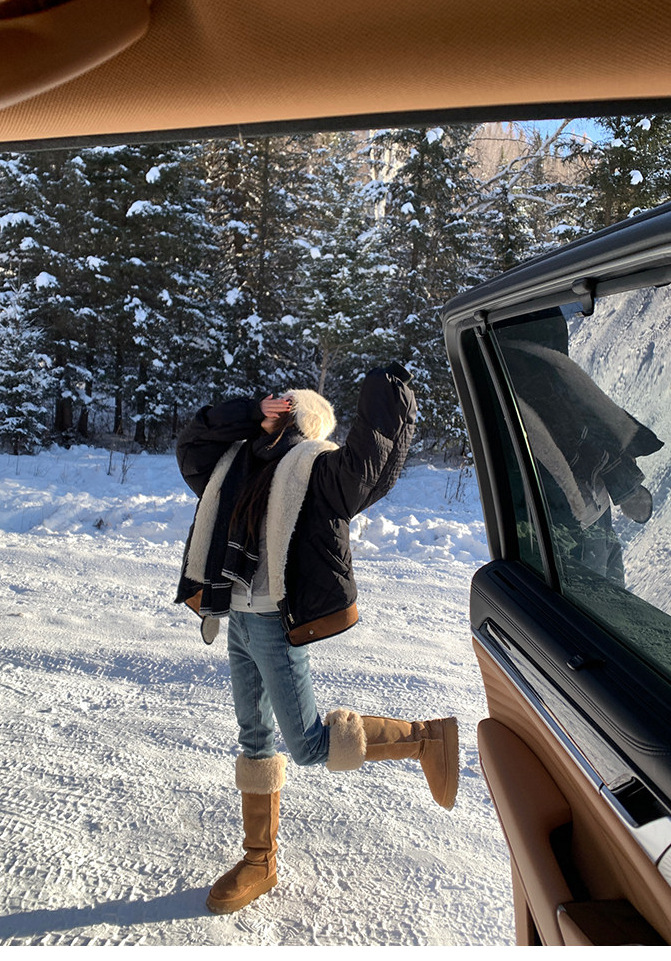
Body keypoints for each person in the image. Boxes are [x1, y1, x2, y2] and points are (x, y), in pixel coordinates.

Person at [175, 363, 459, 914]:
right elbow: (191, 443)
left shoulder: (316, 469)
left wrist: (386, 387)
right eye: (273, 403)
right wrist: (249, 412)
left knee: (306, 745)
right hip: (237, 618)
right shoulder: (234, 464)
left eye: (286, 407)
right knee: (254, 737)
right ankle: (260, 861)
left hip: (273, 626)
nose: (275, 410)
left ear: (301, 423)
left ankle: (425, 739)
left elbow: (366, 466)